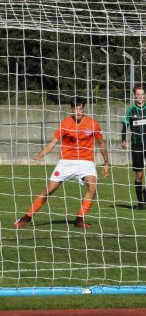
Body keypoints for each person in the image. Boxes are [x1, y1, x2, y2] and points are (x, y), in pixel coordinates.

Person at [13, 97, 110, 229]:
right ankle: (27, 217)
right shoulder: (65, 124)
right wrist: (40, 154)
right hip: (66, 161)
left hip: (86, 161)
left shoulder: (93, 124)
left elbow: (101, 144)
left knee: (92, 187)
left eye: (81, 109)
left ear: (84, 109)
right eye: (75, 109)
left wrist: (106, 163)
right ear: (71, 110)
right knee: (49, 190)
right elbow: (53, 143)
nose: (78, 112)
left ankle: (79, 219)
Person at [121, 85, 146, 210]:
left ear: (145, 96)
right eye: (138, 94)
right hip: (136, 144)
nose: (140, 97)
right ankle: (140, 202)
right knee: (139, 175)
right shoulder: (130, 110)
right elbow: (125, 126)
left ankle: (145, 191)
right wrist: (123, 140)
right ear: (134, 96)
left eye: (142, 94)